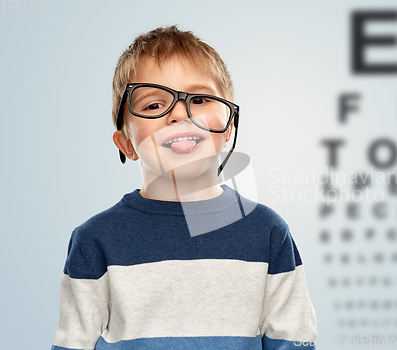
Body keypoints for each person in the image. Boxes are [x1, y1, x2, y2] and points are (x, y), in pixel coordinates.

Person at [50, 25, 317, 350]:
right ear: (126, 144)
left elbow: (292, 340)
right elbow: (73, 343)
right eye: (152, 105)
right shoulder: (94, 239)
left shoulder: (268, 232)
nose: (178, 114)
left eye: (200, 98)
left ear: (228, 127)